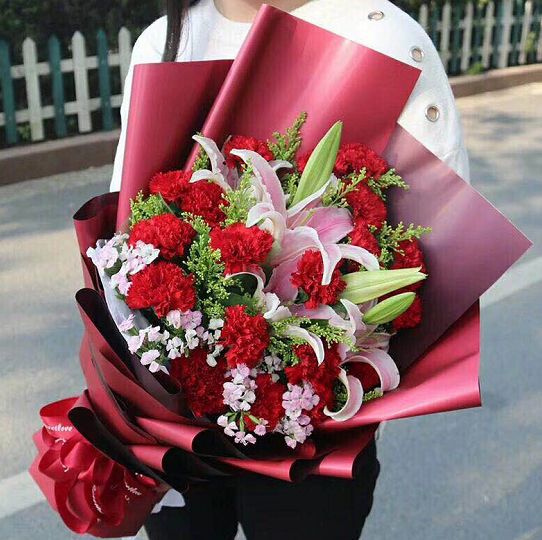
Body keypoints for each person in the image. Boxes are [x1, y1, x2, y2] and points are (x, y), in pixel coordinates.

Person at [110, 1, 470, 538]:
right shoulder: (163, 42)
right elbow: (125, 228)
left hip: (310, 429)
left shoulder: (385, 36)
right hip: (174, 408)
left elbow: (439, 249)